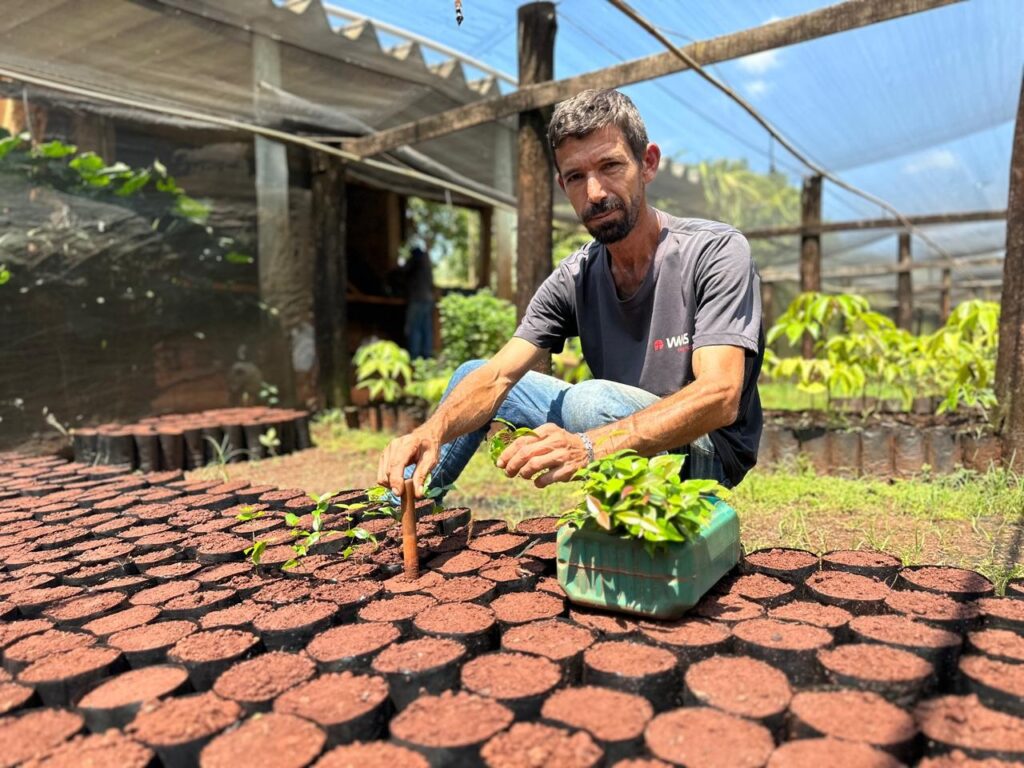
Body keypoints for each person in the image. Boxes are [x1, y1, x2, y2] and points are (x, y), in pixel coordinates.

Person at [379, 88, 763, 499]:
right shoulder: (575, 275)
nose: (595, 193)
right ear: (563, 184)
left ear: (647, 163)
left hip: (707, 449)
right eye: (577, 177)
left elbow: (721, 396)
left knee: (587, 404)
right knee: (471, 374)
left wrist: (588, 445)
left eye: (610, 166)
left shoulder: (714, 251)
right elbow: (496, 376)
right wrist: (430, 430)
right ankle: (400, 508)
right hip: (613, 427)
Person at [401, 246, 435, 359]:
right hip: (428, 299)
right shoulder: (426, 264)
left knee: (415, 328)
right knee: (426, 329)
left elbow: (403, 271)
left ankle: (414, 356)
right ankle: (427, 355)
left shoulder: (415, 262)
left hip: (417, 299)